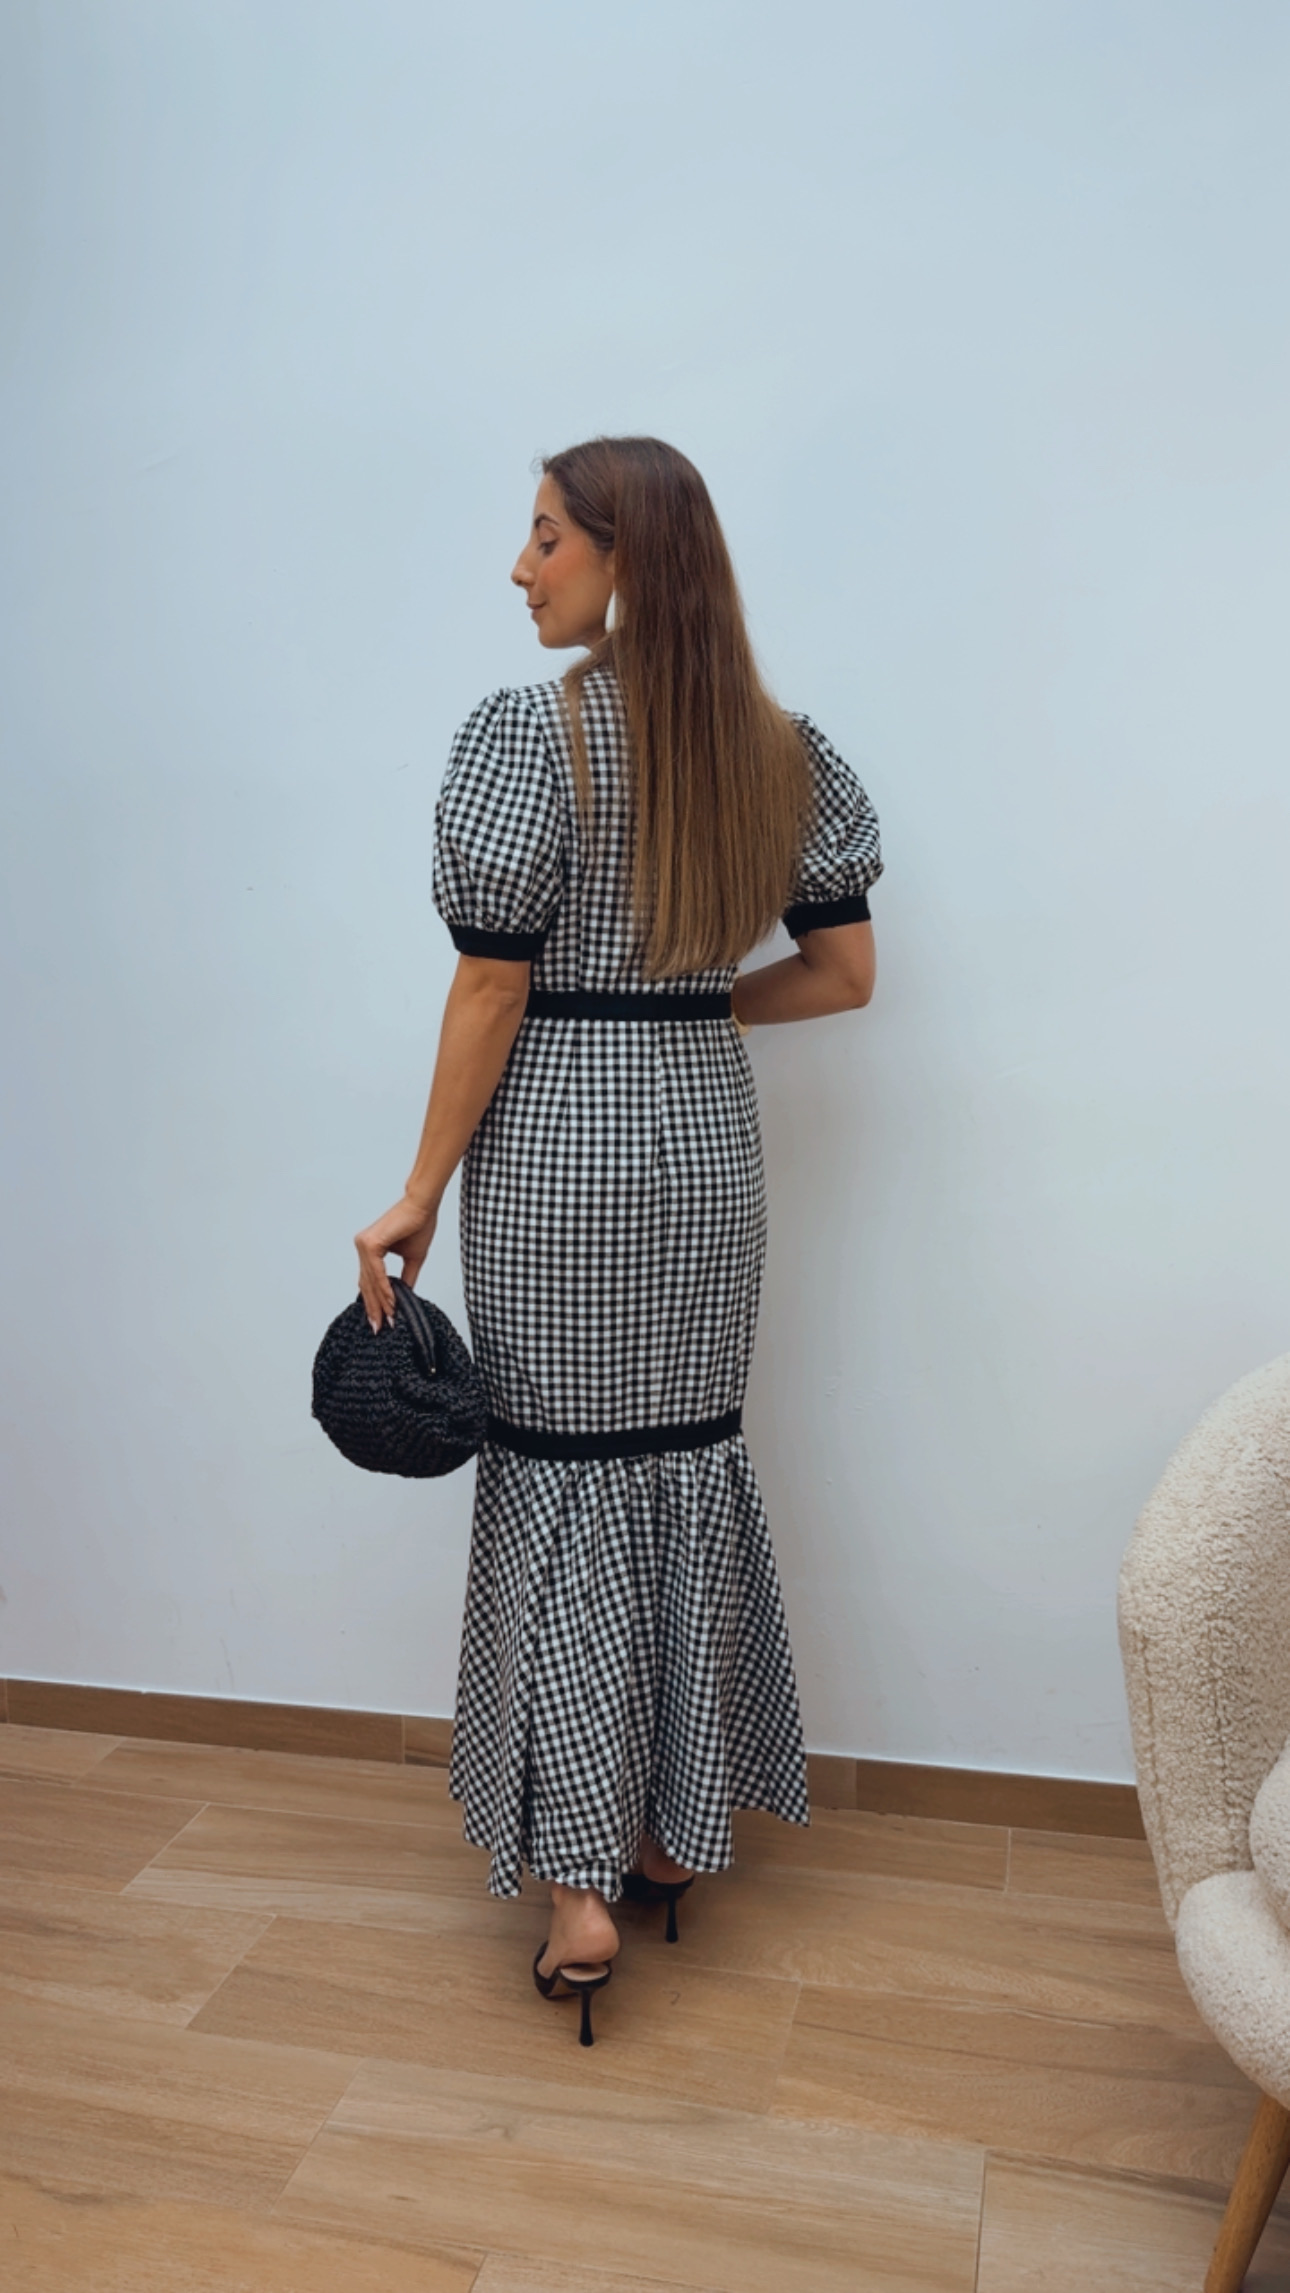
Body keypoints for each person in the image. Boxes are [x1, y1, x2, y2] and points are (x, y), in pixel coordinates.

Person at [355, 436, 881, 2045]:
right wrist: (687, 1010)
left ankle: (578, 1882)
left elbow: (492, 981)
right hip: (706, 1147)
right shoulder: (774, 750)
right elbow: (843, 973)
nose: (520, 569)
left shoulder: (532, 737)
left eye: (543, 538)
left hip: (560, 1160)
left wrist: (419, 1186)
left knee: (564, 1476)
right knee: (676, 1460)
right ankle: (668, 1828)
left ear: (622, 558)